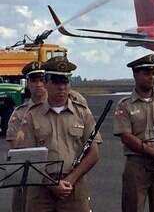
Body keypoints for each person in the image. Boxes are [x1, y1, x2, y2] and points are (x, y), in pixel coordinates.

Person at [20, 56, 102, 212]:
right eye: (57, 82)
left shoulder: (82, 113)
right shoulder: (32, 115)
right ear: (46, 83)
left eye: (65, 82)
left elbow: (94, 153)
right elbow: (27, 157)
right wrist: (52, 184)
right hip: (40, 190)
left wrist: (70, 180)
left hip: (74, 187)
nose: (62, 88)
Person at [113, 54, 154, 212]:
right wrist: (152, 152)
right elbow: (126, 136)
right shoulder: (125, 104)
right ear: (135, 75)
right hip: (137, 163)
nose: (151, 77)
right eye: (146, 73)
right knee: (133, 206)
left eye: (153, 73)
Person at [6, 61, 49, 212]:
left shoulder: (59, 109)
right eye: (34, 80)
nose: (38, 84)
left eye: (42, 80)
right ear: (28, 83)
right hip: (29, 180)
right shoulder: (19, 113)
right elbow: (15, 151)